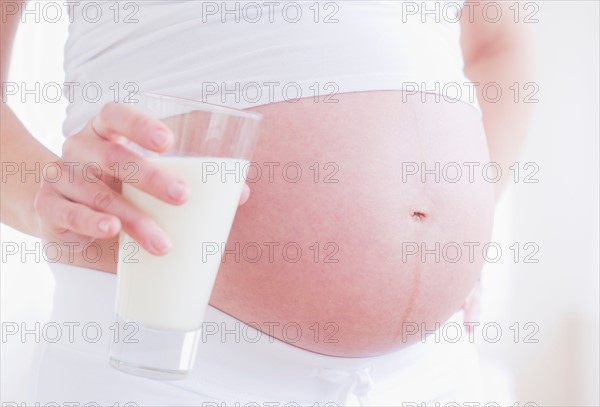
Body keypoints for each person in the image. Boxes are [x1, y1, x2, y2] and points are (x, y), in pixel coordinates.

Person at [0, 0, 534, 405]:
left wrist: (462, 223)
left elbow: (499, 46)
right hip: (166, 356)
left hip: (432, 371)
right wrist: (42, 199)